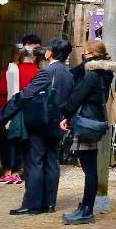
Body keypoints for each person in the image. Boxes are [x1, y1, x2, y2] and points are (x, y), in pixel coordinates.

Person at [11, 38, 73, 216]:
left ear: (50, 53)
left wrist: (7, 112)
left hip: (41, 121)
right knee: (52, 160)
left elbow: (27, 93)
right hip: (59, 122)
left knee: (35, 160)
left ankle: (32, 203)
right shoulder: (68, 75)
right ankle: (50, 202)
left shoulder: (47, 72)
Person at [59, 41, 115, 225]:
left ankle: (86, 209)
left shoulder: (92, 75)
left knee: (89, 167)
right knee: (89, 166)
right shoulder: (105, 74)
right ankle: (85, 206)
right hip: (93, 120)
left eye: (85, 54)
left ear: (90, 54)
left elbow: (77, 97)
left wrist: (65, 113)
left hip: (85, 121)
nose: (83, 57)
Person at [0, 35, 43, 184]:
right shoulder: (37, 71)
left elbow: (0, 90)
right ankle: (15, 171)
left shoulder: (13, 68)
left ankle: (7, 172)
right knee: (20, 141)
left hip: (11, 109)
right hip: (28, 111)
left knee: (8, 141)